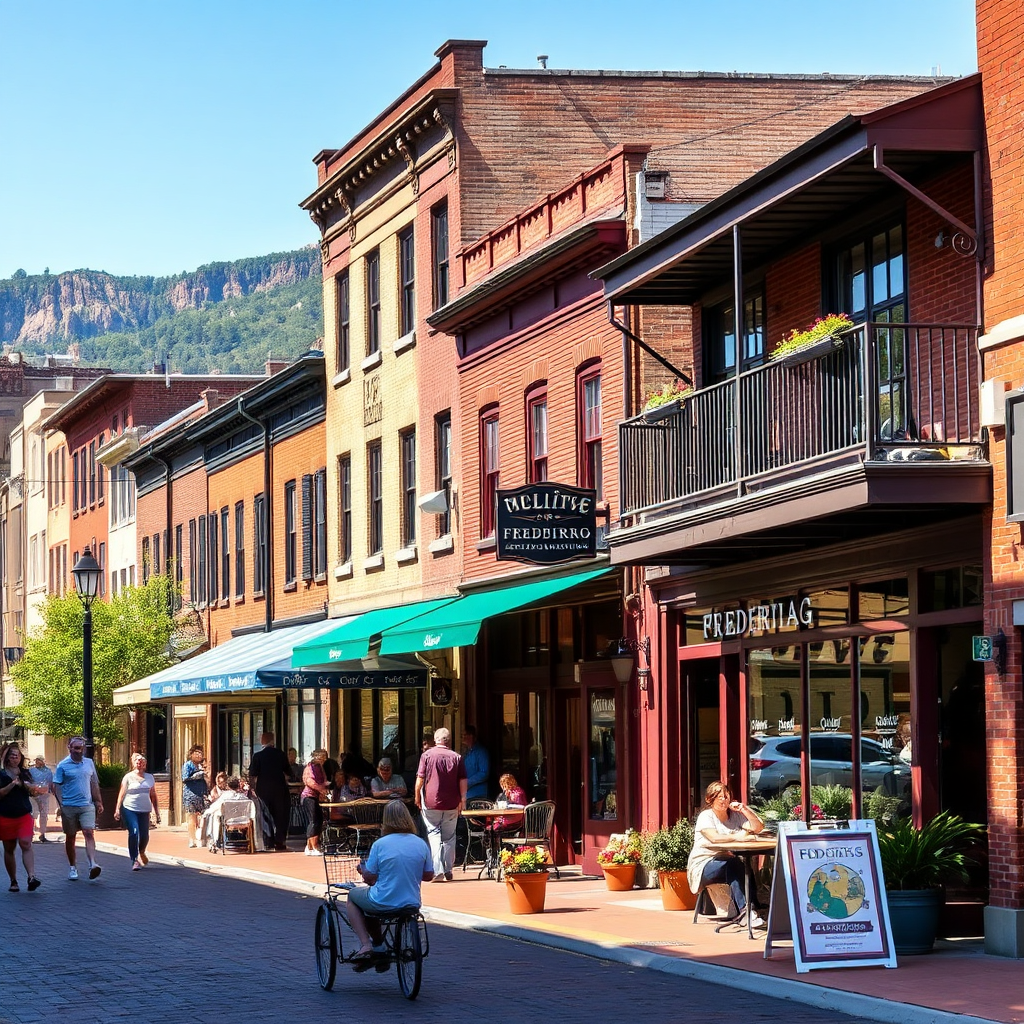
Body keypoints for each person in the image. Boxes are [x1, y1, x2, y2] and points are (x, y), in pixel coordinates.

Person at [346, 800, 433, 963]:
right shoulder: (421, 843)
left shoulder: (380, 844)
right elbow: (429, 875)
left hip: (383, 900)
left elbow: (369, 878)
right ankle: (379, 945)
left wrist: (363, 869)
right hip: (411, 901)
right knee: (370, 901)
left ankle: (366, 945)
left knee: (353, 896)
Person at [687, 780, 765, 926]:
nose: (724, 800)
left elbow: (758, 827)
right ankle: (745, 912)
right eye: (719, 797)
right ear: (710, 799)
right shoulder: (706, 816)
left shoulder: (735, 816)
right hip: (703, 865)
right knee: (734, 865)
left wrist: (744, 809)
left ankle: (751, 910)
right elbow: (715, 838)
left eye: (726, 796)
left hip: (726, 861)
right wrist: (740, 836)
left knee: (742, 866)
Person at [414, 727, 466, 882]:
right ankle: (448, 869)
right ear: (449, 741)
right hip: (452, 802)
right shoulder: (457, 757)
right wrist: (463, 800)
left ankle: (438, 870)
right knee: (449, 836)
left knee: (434, 833)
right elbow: (462, 780)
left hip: (431, 802)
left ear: (435, 740)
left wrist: (417, 797)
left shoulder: (427, 756)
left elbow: (420, 780)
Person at [53, 736, 103, 881]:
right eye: (75, 748)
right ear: (69, 748)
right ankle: (72, 867)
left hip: (86, 805)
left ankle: (93, 864)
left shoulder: (89, 763)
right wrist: (61, 805)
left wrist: (98, 801)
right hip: (69, 806)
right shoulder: (63, 765)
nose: (78, 751)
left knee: (89, 832)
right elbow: (56, 786)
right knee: (71, 837)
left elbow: (94, 783)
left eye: (80, 748)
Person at [0, 743, 42, 892]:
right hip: (5, 816)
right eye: (12, 755)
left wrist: (29, 787)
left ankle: (31, 877)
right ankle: (13, 881)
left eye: (17, 755)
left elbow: (33, 791)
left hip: (24, 814)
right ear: (6, 757)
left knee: (26, 843)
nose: (15, 757)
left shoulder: (25, 773)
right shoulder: (2, 773)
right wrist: (13, 785)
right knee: (9, 848)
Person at [113, 753, 160, 870]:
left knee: (144, 835)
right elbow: (122, 793)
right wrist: (117, 808)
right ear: (133, 764)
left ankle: (142, 851)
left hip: (144, 809)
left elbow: (153, 795)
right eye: (137, 762)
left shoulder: (150, 777)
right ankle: (134, 860)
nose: (139, 764)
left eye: (142, 762)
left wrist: (157, 812)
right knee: (134, 831)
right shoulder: (128, 777)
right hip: (129, 808)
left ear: (145, 764)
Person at [248, 732, 291, 852]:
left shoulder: (258, 756)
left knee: (266, 815)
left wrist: (253, 788)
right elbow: (288, 772)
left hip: (263, 790)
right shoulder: (281, 754)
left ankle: (268, 841)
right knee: (281, 815)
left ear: (262, 741)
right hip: (279, 789)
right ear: (273, 741)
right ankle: (280, 841)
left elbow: (252, 774)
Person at [301, 748, 330, 856]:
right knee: (313, 821)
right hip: (309, 797)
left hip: (317, 797)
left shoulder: (320, 767)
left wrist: (326, 786)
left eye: (325, 758)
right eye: (322, 758)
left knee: (319, 820)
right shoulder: (310, 767)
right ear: (316, 757)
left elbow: (324, 779)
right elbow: (309, 781)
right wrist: (321, 789)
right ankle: (312, 846)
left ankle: (313, 845)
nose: (324, 760)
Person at [181, 745, 208, 849]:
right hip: (190, 795)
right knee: (192, 817)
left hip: (202, 794)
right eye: (196, 753)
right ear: (191, 754)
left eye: (200, 753)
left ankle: (201, 837)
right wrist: (196, 775)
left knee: (204, 816)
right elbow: (185, 778)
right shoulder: (188, 765)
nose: (198, 755)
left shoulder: (202, 765)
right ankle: (192, 839)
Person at [28, 754, 54, 842]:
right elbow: (28, 782)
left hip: (44, 795)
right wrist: (33, 789)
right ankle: (32, 833)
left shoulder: (48, 771)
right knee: (33, 814)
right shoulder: (31, 771)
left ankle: (42, 834)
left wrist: (47, 790)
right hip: (33, 795)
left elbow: (50, 783)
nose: (38, 762)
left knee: (44, 814)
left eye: (39, 760)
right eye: (37, 760)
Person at [462, 726, 490, 800]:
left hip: (477, 794)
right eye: (463, 735)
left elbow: (484, 773)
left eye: (465, 735)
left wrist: (468, 783)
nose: (463, 738)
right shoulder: (467, 752)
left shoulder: (481, 752)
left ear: (471, 736)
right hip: (466, 794)